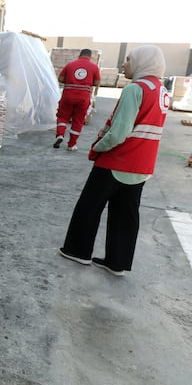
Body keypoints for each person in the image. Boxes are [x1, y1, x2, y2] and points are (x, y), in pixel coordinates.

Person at [59, 45, 169, 276]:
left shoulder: (135, 89)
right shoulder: (160, 90)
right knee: (126, 214)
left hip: (117, 159)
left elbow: (119, 132)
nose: (124, 64)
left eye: (129, 59)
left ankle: (78, 251)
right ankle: (117, 262)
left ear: (143, 62)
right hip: (142, 165)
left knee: (89, 207)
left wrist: (99, 147)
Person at [54, 49, 101, 150]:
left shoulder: (70, 65)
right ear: (90, 56)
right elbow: (97, 82)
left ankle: (60, 135)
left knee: (62, 116)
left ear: (80, 55)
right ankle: (71, 144)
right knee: (78, 120)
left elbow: (60, 79)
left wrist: (71, 80)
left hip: (68, 95)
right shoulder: (94, 67)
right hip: (83, 97)